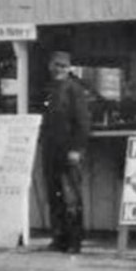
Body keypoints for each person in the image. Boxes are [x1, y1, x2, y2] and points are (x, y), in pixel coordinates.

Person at [39, 51, 92, 254]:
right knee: (54, 196)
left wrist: (77, 149)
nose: (58, 69)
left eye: (62, 66)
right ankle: (59, 238)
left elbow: (83, 123)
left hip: (69, 151)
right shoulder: (50, 89)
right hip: (51, 150)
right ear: (49, 66)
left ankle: (74, 241)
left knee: (71, 198)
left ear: (69, 68)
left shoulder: (74, 90)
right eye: (55, 65)